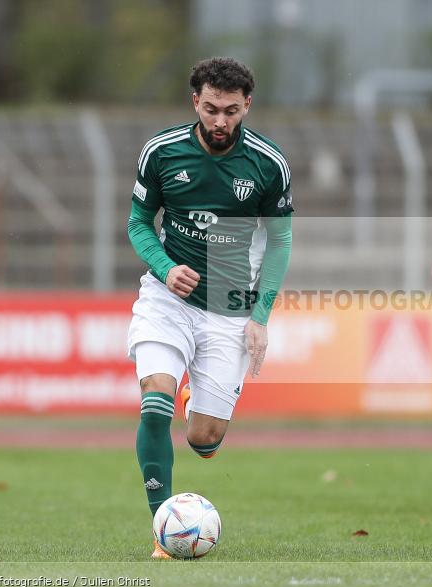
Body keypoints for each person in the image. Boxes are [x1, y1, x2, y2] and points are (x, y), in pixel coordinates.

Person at [126, 57, 293, 557]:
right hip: (167, 299)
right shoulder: (161, 151)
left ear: (248, 106)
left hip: (230, 306)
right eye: (213, 108)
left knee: (204, 440)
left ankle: (195, 397)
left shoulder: (268, 164)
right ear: (195, 101)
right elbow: (138, 220)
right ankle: (162, 528)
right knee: (154, 407)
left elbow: (281, 243)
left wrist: (260, 318)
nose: (221, 121)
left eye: (232, 111)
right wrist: (163, 265)